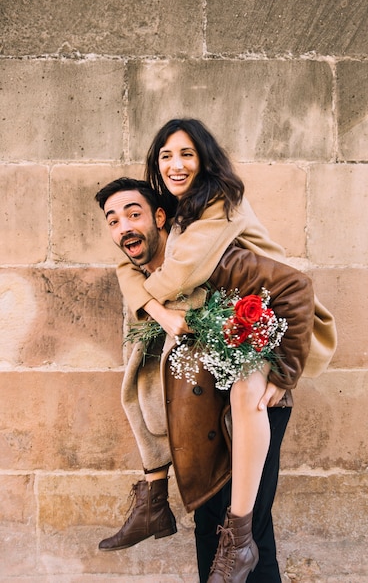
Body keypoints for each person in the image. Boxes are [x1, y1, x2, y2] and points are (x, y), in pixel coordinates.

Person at [115, 120, 336, 582]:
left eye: (186, 154)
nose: (176, 164)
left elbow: (291, 286)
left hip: (260, 347)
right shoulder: (179, 217)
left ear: (205, 158)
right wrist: (151, 305)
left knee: (246, 529)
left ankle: (232, 532)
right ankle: (156, 493)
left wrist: (283, 376)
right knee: (212, 529)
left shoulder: (220, 217)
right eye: (165, 156)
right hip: (218, 369)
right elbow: (126, 267)